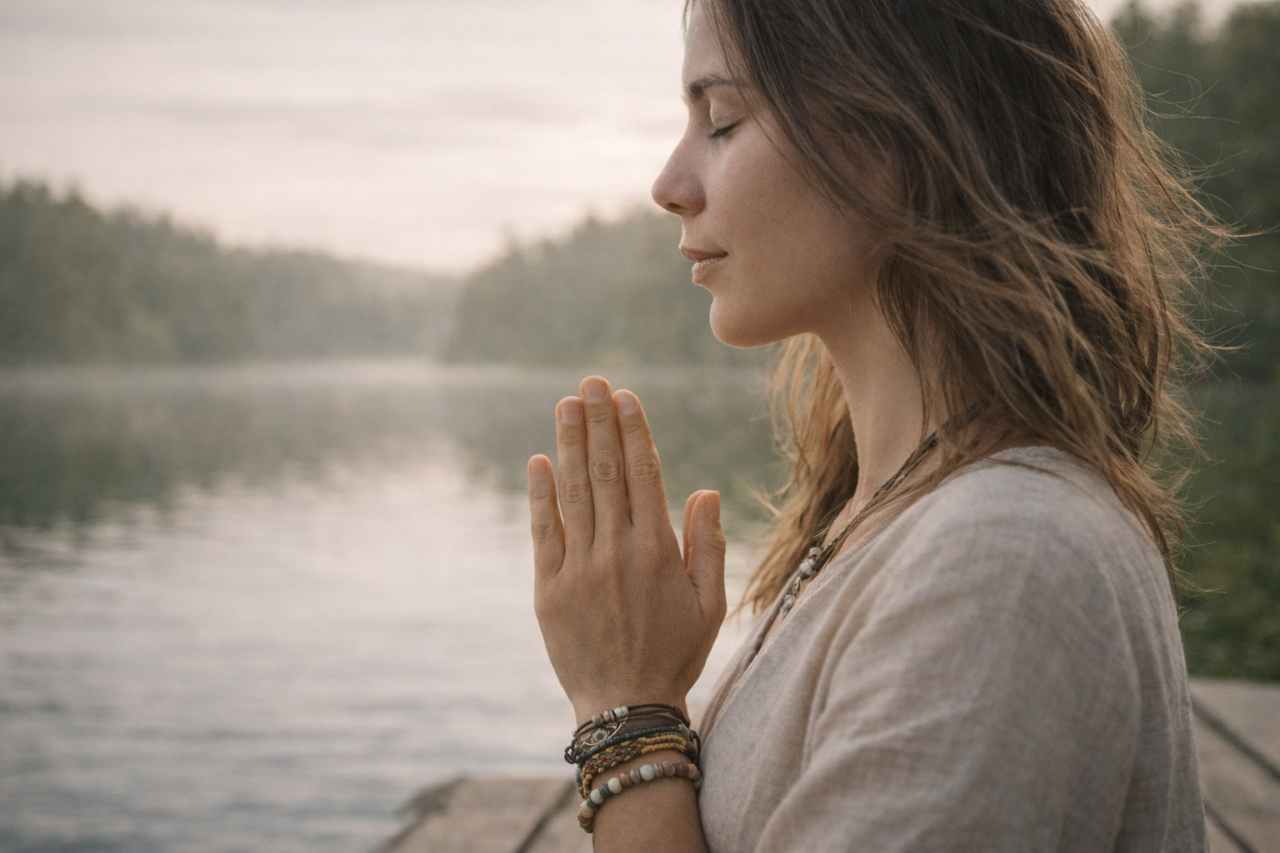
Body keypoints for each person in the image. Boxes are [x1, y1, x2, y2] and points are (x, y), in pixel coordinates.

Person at [525, 0, 1220, 849]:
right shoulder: (893, 514)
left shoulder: (1003, 558)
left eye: (723, 119)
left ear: (898, 133)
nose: (669, 185)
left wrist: (624, 709)